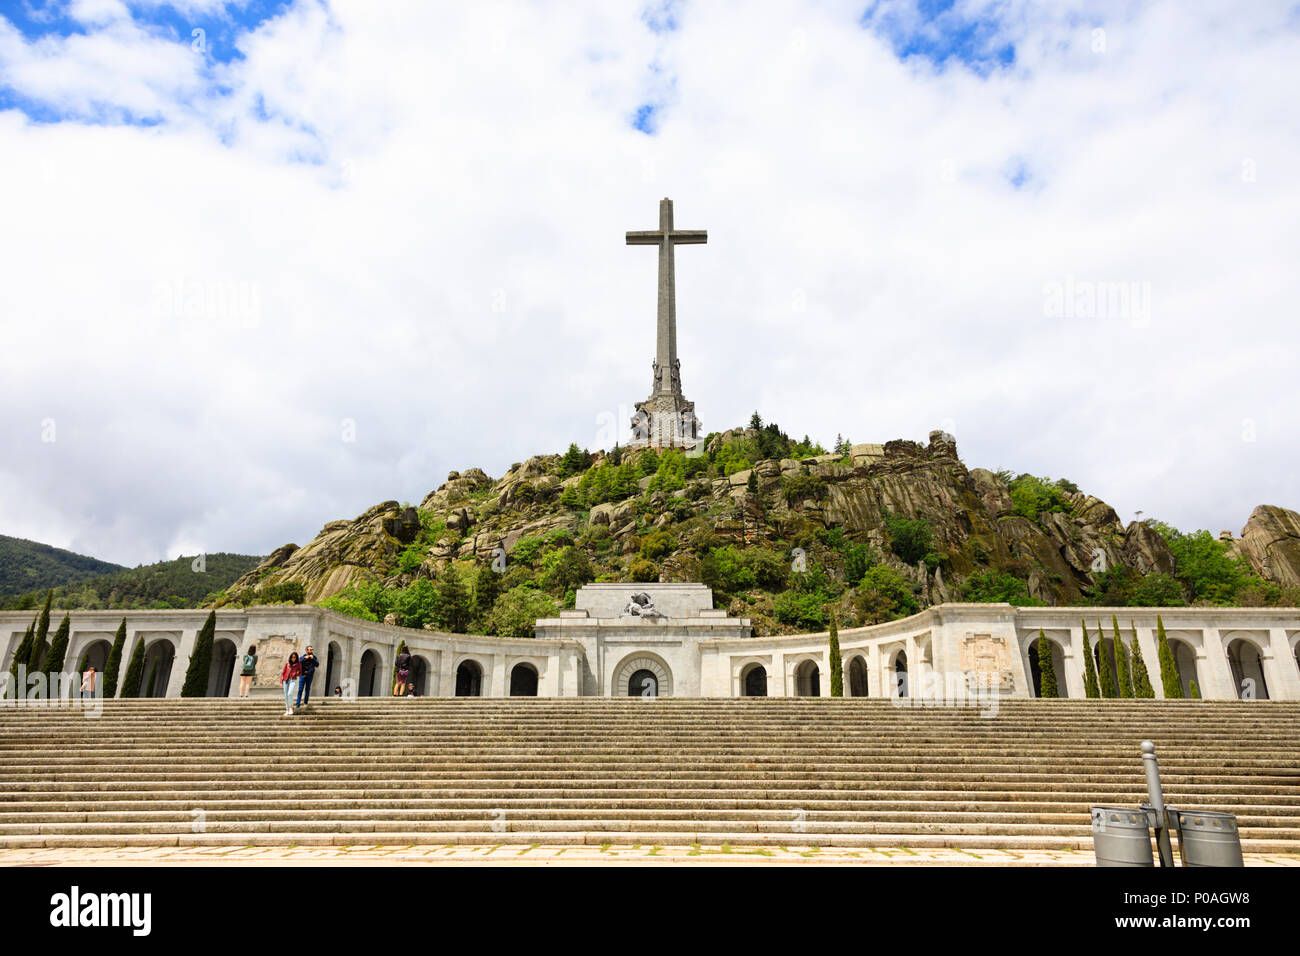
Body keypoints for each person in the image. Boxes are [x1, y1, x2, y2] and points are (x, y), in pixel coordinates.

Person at [280, 652, 301, 716]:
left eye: (294, 657)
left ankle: (291, 707)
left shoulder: (298, 664)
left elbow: (300, 673)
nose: (293, 658)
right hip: (285, 680)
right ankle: (287, 709)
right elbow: (283, 672)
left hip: (293, 680)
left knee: (290, 693)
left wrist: (296, 674)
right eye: (292, 657)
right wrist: (281, 681)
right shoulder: (287, 664)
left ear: (296, 658)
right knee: (286, 696)